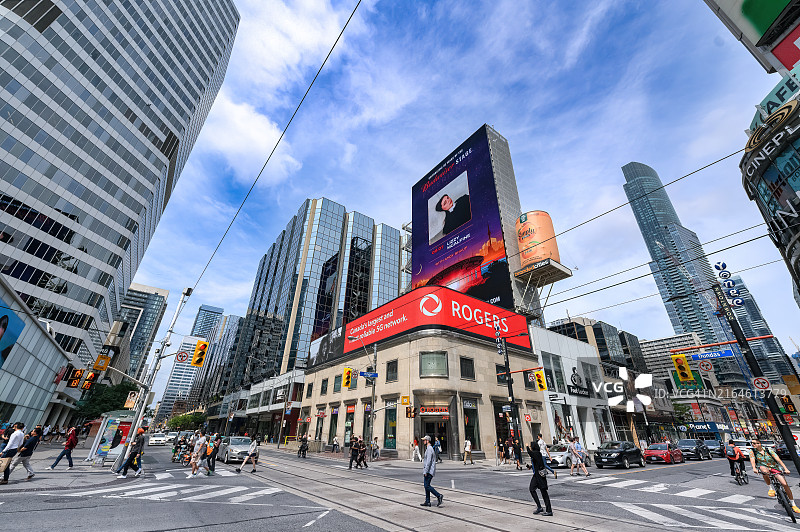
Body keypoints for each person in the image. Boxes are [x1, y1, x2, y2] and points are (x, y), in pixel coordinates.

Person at [749, 438, 799, 512]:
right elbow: (752, 460)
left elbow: (778, 459)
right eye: (752, 443)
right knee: (763, 470)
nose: (753, 444)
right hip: (763, 467)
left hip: (774, 467)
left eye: (754, 443)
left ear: (759, 444)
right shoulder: (752, 451)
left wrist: (785, 469)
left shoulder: (768, 450)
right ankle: (770, 488)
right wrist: (754, 468)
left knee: (784, 484)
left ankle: (793, 504)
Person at [526, 441, 553, 516]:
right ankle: (539, 506)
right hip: (537, 476)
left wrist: (527, 447)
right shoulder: (536, 454)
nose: (530, 447)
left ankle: (549, 510)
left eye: (531, 446)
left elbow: (530, 453)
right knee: (532, 489)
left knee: (544, 493)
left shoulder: (537, 453)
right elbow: (537, 462)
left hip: (540, 476)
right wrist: (531, 466)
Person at [420, 435, 443, 507]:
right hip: (429, 470)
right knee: (426, 485)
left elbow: (429, 461)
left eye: (424, 440)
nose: (423, 441)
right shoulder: (428, 448)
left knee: (426, 486)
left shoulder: (429, 449)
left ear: (427, 441)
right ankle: (427, 501)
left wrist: (425, 471)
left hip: (429, 471)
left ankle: (438, 495)